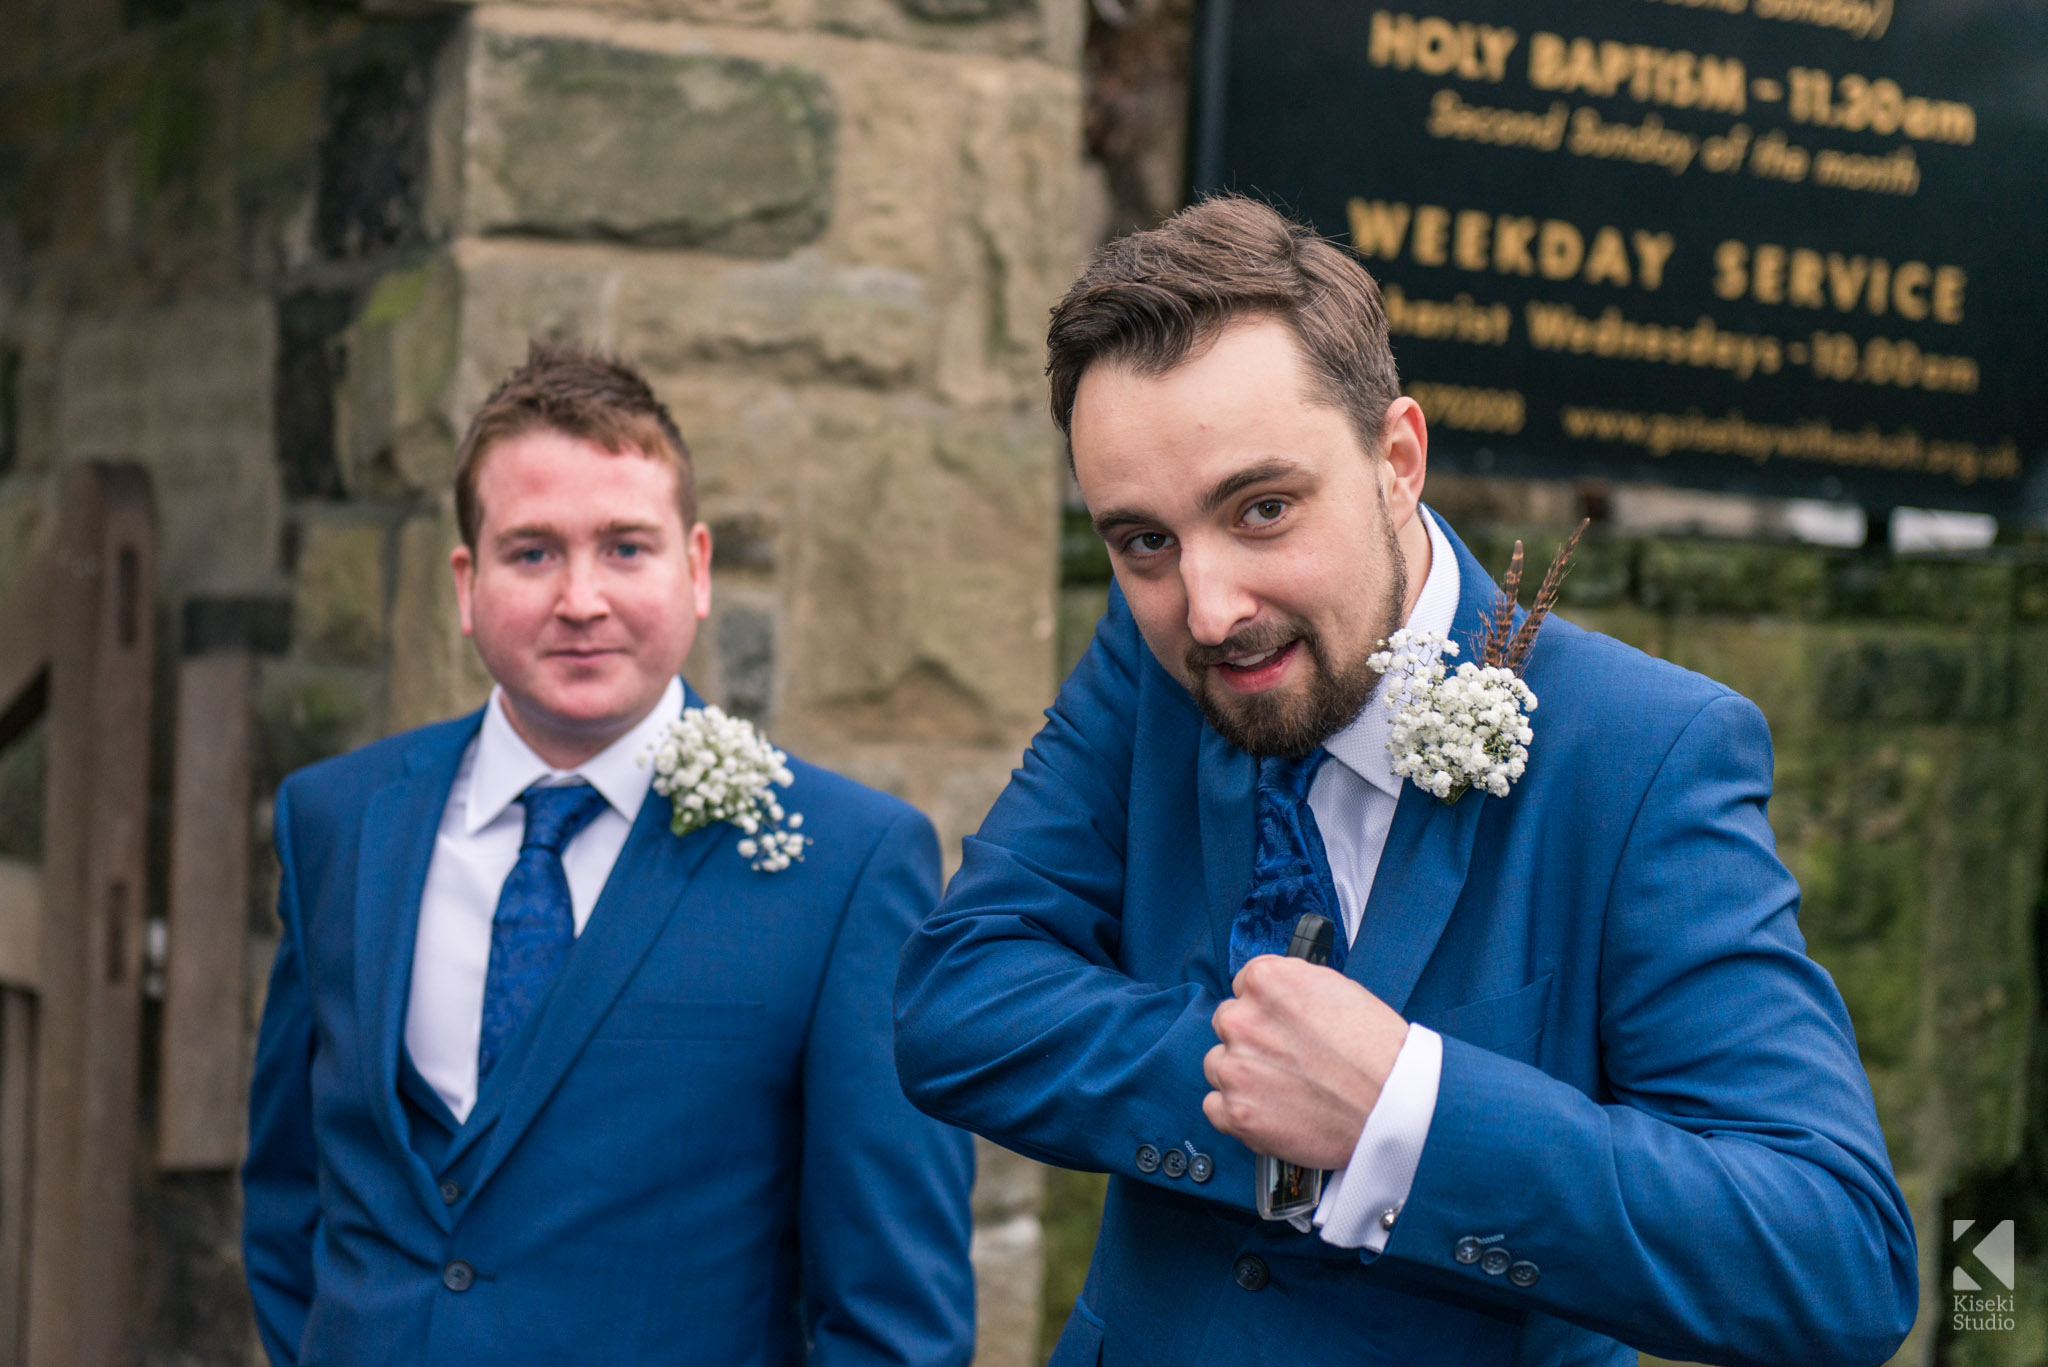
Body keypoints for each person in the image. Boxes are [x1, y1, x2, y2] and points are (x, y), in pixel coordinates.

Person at [894, 196, 1917, 1366]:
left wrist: (1407, 1114)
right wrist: (1257, 1091)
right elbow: (957, 1001)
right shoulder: (1147, 656)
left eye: (1261, 509)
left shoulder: (1642, 752)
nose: (1209, 607)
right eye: (1142, 542)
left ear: (1395, 460)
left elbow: (1834, 1256)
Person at [243, 342, 976, 1367]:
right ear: (466, 580)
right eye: (532, 551)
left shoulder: (845, 865)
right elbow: (289, 1197)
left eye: (625, 547)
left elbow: (895, 1314)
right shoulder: (336, 819)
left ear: (696, 565)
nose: (579, 596)